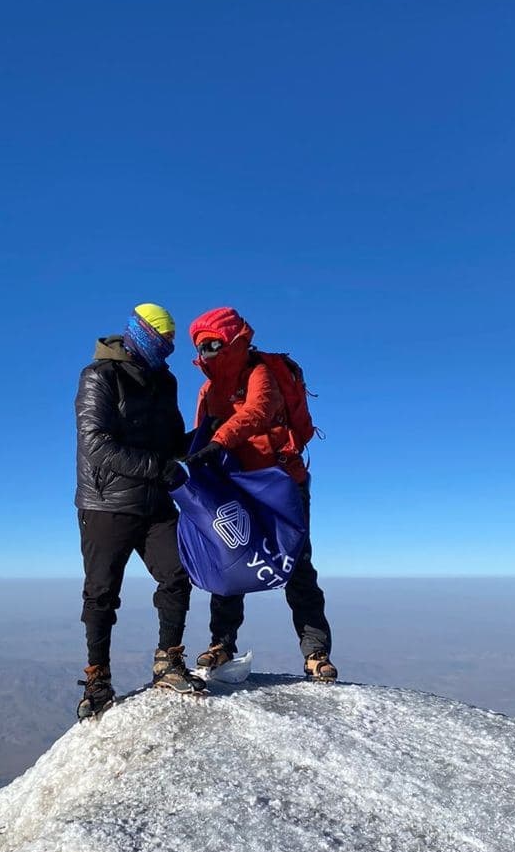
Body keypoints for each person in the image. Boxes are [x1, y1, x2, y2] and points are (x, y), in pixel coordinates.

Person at [185, 306, 338, 682]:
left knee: (297, 564)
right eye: (201, 346)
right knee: (228, 560)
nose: (207, 353)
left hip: (281, 481)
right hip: (238, 485)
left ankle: (315, 651)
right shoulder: (208, 390)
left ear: (235, 340)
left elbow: (258, 411)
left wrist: (219, 441)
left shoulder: (261, 373)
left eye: (214, 343)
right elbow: (201, 435)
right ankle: (221, 644)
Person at [74, 303, 205, 719]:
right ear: (143, 334)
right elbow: (95, 443)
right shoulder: (99, 376)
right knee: (101, 593)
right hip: (107, 504)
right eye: (164, 338)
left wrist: (208, 435)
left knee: (177, 575)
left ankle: (168, 661)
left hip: (154, 502)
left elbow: (168, 441)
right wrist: (157, 469)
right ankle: (98, 680)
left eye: (171, 340)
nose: (169, 346)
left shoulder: (164, 381)